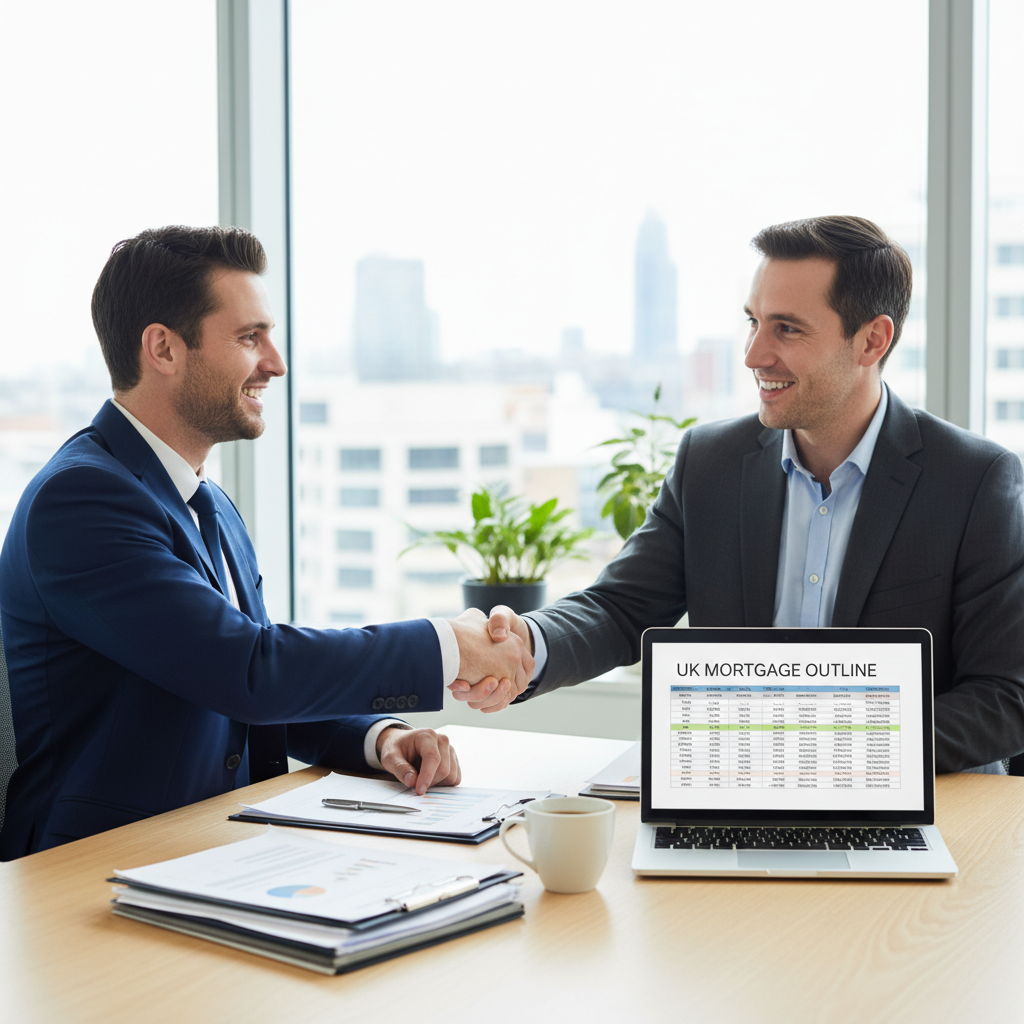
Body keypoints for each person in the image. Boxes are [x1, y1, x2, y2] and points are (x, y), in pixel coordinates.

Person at [0, 225, 533, 859]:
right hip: (91, 868)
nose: (275, 362)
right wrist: (447, 647)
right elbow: (246, 670)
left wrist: (378, 739)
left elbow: (251, 687)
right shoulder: (82, 501)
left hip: (211, 851)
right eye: (249, 337)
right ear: (163, 349)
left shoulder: (210, 504)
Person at [465, 215, 1024, 774]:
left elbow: (1005, 696)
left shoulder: (974, 481)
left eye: (787, 329)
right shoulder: (709, 463)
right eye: (753, 322)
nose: (755, 355)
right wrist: (527, 642)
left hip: (927, 808)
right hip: (736, 789)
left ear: (872, 340)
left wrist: (820, 749)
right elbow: (621, 607)